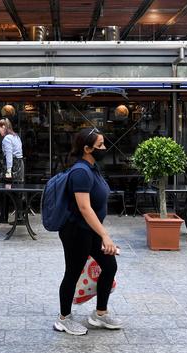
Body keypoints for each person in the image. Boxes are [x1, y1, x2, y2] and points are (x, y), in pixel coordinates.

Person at [53, 128, 122, 336]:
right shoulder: (81, 172)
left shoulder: (92, 168)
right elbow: (84, 208)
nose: (104, 148)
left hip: (89, 230)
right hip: (76, 231)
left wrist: (100, 233)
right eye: (100, 145)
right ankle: (64, 318)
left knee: (109, 266)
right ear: (87, 149)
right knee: (72, 273)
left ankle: (100, 314)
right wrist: (105, 235)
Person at [0, 118, 24, 223]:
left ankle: (5, 216)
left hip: (12, 166)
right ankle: (19, 216)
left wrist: (8, 171)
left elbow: (9, 156)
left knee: (5, 190)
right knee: (17, 191)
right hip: (19, 165)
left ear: (4, 127)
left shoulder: (7, 139)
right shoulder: (16, 136)